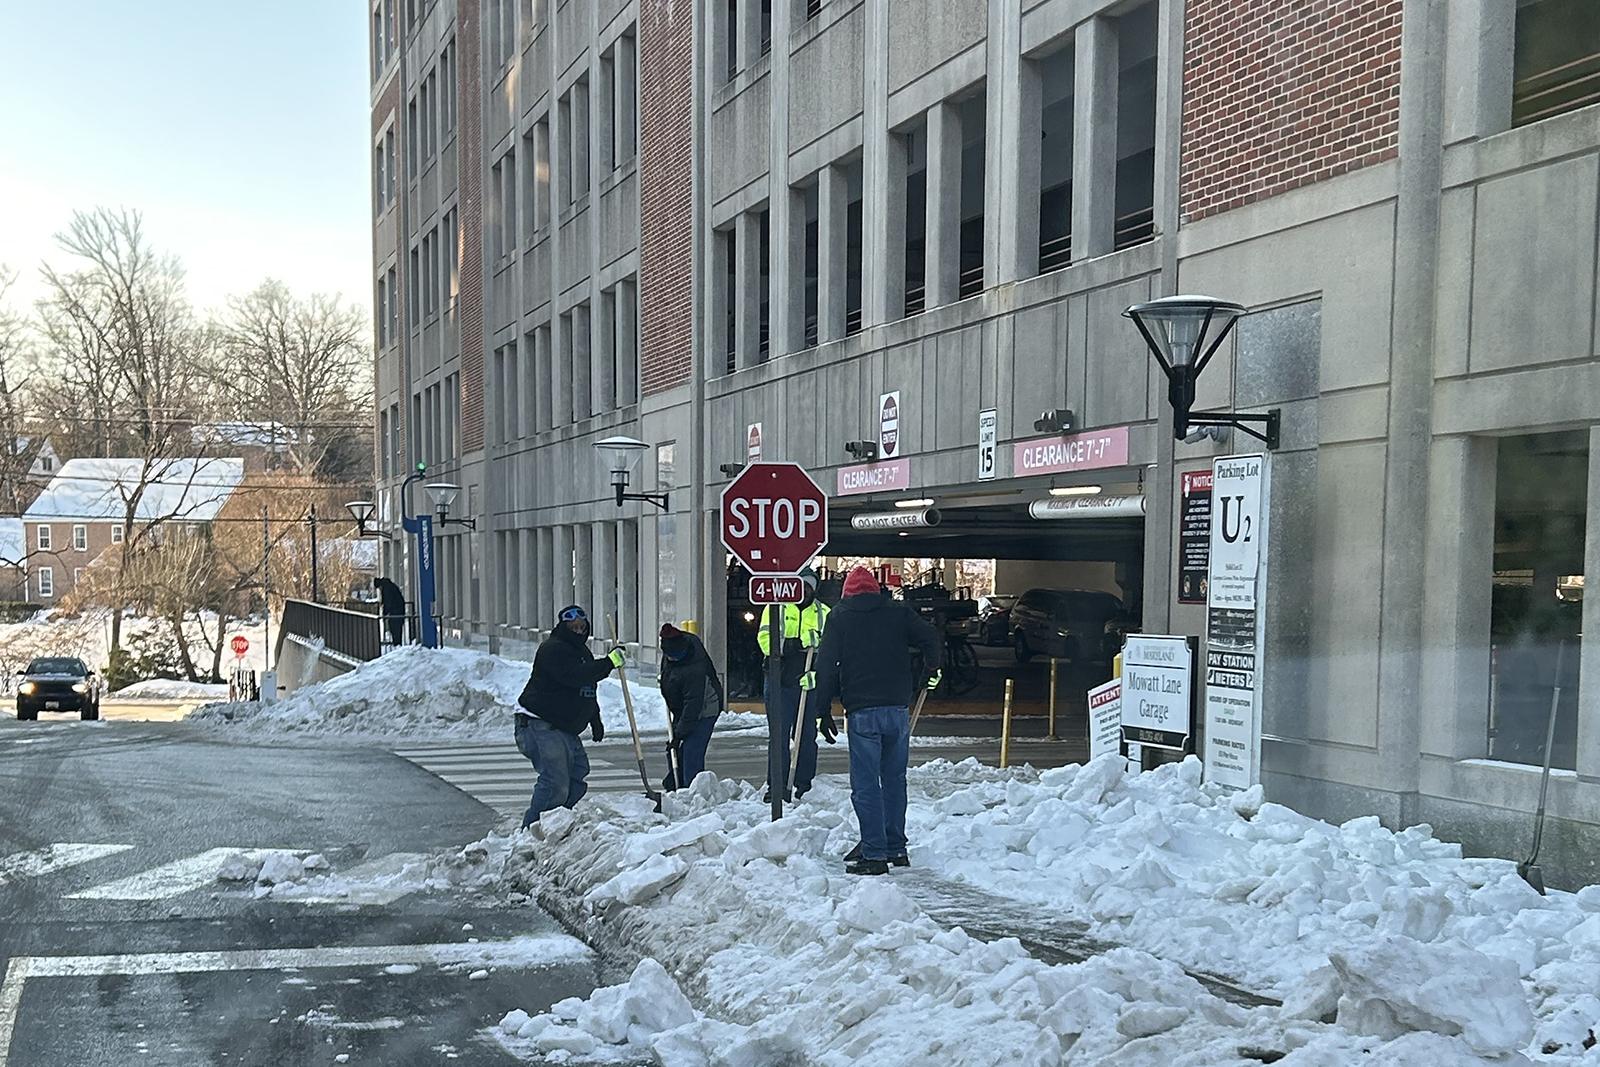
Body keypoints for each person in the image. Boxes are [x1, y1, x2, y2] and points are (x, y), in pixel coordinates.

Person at [803, 567, 941, 876]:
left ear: (847, 592)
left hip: (863, 710)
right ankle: (895, 847)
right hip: (896, 708)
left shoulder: (839, 616)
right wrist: (930, 670)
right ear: (876, 590)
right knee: (894, 780)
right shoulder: (898, 613)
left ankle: (875, 853)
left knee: (865, 784)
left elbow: (825, 666)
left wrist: (822, 710)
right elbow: (930, 636)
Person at [513, 604, 627, 828]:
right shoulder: (553, 649)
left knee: (578, 773)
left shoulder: (581, 653)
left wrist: (595, 719)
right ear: (562, 626)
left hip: (563, 726)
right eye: (572, 625)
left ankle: (554, 824)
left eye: (581, 625)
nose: (578, 628)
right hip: (539, 723)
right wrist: (608, 663)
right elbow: (573, 677)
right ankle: (531, 832)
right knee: (556, 783)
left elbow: (586, 688)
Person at [755, 568, 829, 801]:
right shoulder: (776, 607)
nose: (804, 591)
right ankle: (776, 786)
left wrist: (818, 673)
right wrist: (793, 644)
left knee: (807, 735)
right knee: (778, 735)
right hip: (779, 679)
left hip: (808, 682)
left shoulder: (824, 613)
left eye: (809, 587)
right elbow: (765, 640)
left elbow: (832, 650)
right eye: (801, 586)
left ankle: (804, 784)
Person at [658, 623, 724, 791]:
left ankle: (693, 792)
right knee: (673, 750)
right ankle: (676, 784)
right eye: (669, 656)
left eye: (676, 656)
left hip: (705, 708)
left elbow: (693, 705)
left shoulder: (695, 666)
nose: (672, 659)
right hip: (683, 709)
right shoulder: (669, 654)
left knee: (691, 751)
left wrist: (679, 734)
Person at [374, 575, 406, 649]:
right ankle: (397, 644)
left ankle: (397, 644)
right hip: (398, 610)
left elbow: (388, 601)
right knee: (396, 627)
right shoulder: (388, 585)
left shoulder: (387, 588)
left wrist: (385, 612)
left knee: (395, 627)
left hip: (396, 611)